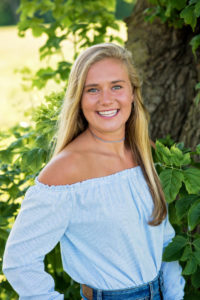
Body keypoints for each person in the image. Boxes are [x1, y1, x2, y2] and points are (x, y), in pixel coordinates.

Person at [3, 43, 185, 300]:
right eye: (92, 90)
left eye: (117, 86)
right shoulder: (66, 171)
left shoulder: (143, 152)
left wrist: (175, 295)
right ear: (78, 98)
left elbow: (163, 238)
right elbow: (20, 261)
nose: (107, 99)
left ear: (133, 92)